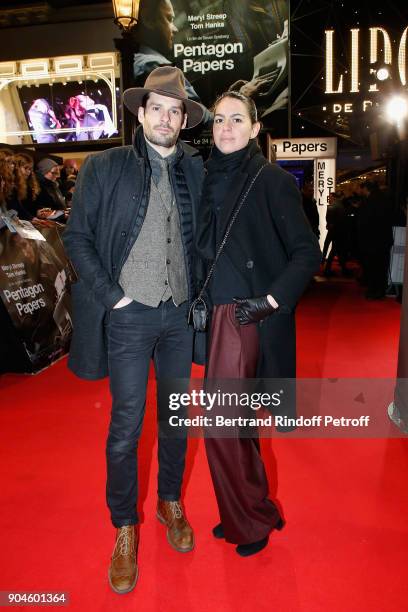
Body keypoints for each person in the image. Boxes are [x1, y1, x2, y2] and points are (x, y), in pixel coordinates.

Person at [62, 66, 205, 594]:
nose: (166, 118)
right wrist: (115, 297)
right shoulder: (105, 166)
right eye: (157, 108)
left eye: (175, 110)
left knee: (174, 418)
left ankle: (170, 500)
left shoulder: (197, 171)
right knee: (125, 428)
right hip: (128, 314)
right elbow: (77, 239)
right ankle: (124, 527)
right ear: (141, 113)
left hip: (178, 315)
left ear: (183, 119)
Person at [195, 91, 321, 557]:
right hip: (213, 318)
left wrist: (269, 301)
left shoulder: (269, 180)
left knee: (222, 428)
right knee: (237, 425)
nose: (226, 128)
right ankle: (253, 508)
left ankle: (248, 521)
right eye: (219, 120)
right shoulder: (205, 178)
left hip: (246, 316)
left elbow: (307, 252)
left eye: (236, 120)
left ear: (255, 130)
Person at [357, 180, 393, 300]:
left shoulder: (371, 201)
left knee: (374, 266)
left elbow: (367, 222)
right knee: (380, 266)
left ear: (367, 188)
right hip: (382, 239)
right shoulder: (383, 199)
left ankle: (375, 291)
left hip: (374, 240)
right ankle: (378, 290)